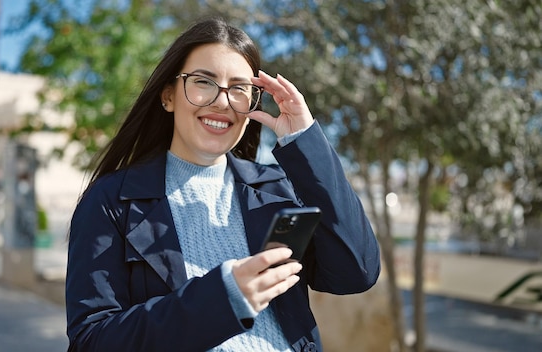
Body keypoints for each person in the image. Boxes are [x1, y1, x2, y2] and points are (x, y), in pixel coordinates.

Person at [66, 17, 381, 352]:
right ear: (168, 96)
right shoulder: (110, 201)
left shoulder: (276, 189)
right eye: (203, 81)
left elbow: (356, 272)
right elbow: (91, 340)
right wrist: (221, 299)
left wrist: (305, 143)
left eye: (239, 88)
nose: (222, 101)